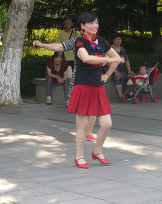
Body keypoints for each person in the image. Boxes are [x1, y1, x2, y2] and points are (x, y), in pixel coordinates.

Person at [33, 12, 121, 168]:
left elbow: (117, 59)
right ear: (82, 26)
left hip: (98, 87)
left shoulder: (102, 41)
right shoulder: (79, 41)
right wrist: (41, 45)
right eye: (91, 23)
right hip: (82, 86)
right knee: (83, 125)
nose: (94, 25)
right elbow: (85, 58)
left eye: (96, 22)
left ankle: (97, 151)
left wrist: (107, 74)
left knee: (107, 124)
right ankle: (79, 156)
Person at [54, 17, 95, 141]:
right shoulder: (65, 35)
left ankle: (89, 132)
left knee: (92, 109)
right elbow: (59, 46)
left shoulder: (90, 39)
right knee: (81, 110)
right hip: (68, 60)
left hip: (88, 74)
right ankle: (79, 133)